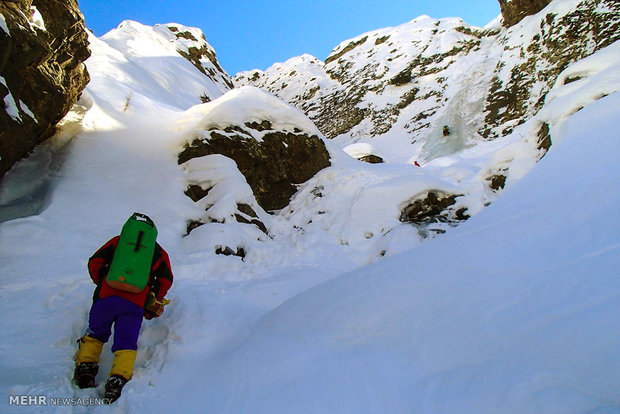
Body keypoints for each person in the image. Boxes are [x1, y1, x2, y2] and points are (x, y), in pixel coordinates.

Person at [73, 213, 173, 403]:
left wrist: (101, 282)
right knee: (126, 341)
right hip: (134, 303)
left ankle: (86, 368)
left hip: (105, 297)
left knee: (95, 333)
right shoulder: (157, 251)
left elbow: (95, 262)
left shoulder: (117, 242)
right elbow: (166, 279)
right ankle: (118, 379)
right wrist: (154, 297)